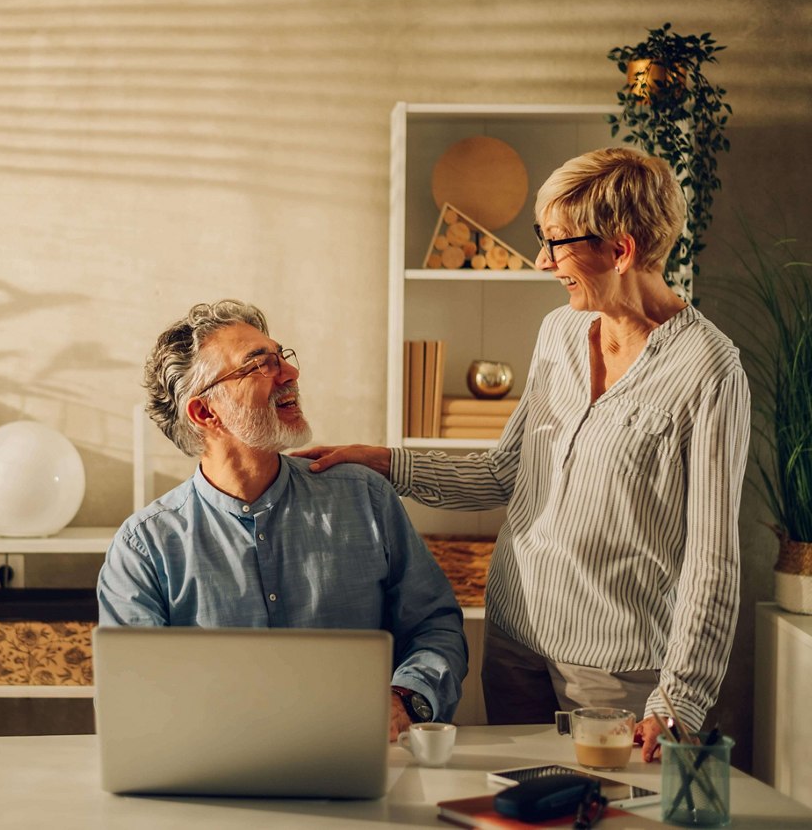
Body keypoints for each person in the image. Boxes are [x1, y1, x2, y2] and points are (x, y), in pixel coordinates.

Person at [294, 148, 750, 762]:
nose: (542, 260)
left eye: (558, 243)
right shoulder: (558, 334)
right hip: (514, 644)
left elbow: (712, 558)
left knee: (607, 814)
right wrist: (384, 461)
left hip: (617, 671)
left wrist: (680, 700)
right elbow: (504, 472)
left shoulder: (710, 370)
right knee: (519, 808)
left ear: (621, 250)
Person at [97, 299, 468, 740]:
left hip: (358, 759)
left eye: (282, 358)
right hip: (210, 778)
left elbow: (435, 626)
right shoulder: (146, 547)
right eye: (260, 365)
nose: (290, 374)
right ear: (204, 412)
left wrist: (404, 699)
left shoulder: (364, 497)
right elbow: (135, 699)